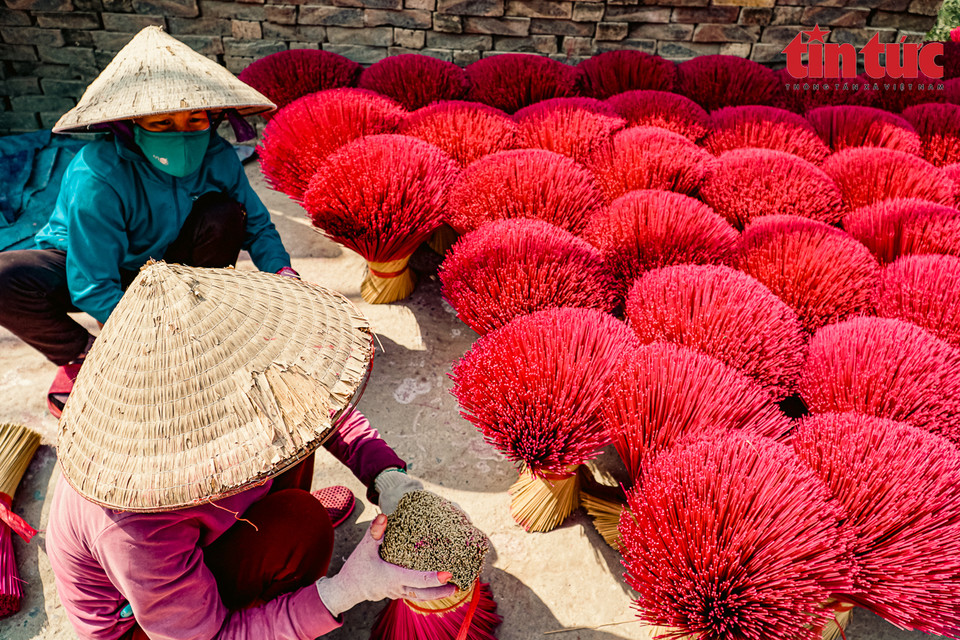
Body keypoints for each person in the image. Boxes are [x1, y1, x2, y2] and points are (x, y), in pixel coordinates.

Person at [45, 262, 453, 640]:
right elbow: (210, 637)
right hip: (148, 625)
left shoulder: (227, 380)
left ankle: (268, 533)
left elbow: (313, 403)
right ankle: (279, 572)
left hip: (193, 539)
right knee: (302, 527)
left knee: (294, 432)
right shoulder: (133, 526)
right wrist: (343, 591)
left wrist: (385, 475)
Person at [0, 26, 297, 418]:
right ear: (129, 125)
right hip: (86, 266)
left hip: (168, 262)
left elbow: (258, 226)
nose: (182, 134)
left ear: (213, 117)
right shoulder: (99, 175)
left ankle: (195, 316)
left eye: (195, 120)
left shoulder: (218, 156)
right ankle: (85, 357)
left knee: (226, 215)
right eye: (161, 124)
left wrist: (284, 273)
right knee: (6, 279)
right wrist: (149, 342)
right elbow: (92, 284)